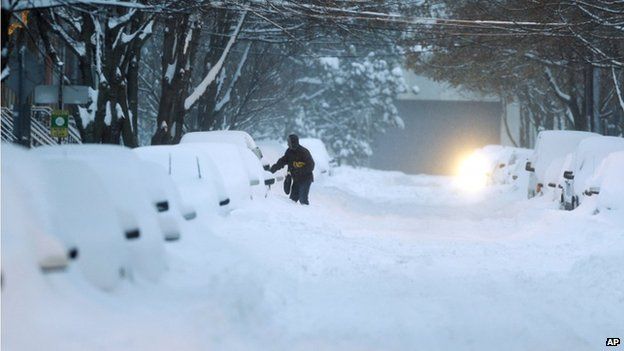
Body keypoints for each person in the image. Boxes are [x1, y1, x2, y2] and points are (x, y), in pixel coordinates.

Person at [270, 134, 315, 205]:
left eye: (289, 142)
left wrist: (299, 171)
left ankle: (307, 214)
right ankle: (295, 215)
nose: (287, 144)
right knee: (292, 200)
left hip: (306, 179)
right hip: (296, 179)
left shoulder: (304, 152)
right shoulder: (289, 152)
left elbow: (311, 166)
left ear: (293, 142)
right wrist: (272, 169)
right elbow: (282, 161)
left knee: (303, 199)